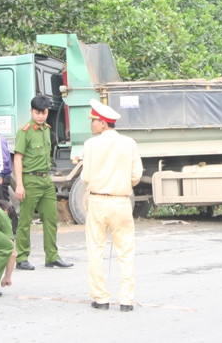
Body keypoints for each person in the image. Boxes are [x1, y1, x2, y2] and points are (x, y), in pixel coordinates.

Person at [82, 99, 144, 311]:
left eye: (93, 121)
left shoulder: (90, 145)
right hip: (121, 202)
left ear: (103, 123)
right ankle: (126, 300)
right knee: (126, 252)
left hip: (98, 201)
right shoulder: (129, 143)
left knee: (95, 250)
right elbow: (136, 175)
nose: (91, 125)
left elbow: (85, 177)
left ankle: (101, 298)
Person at [13, 95, 72, 270]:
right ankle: (22, 258)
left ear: (47, 112)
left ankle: (52, 256)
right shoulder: (25, 131)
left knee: (51, 219)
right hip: (30, 179)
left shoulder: (47, 129)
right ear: (32, 111)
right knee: (25, 220)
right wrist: (19, 184)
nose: (40, 116)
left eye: (44, 112)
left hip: (46, 179)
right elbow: (18, 158)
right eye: (37, 112)